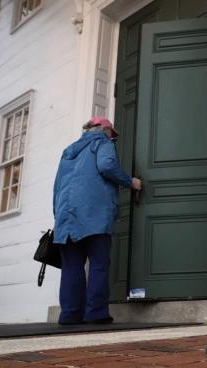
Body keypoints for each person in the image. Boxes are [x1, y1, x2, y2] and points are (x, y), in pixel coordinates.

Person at [52, 116, 141, 325]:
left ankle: (70, 315)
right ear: (102, 128)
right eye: (112, 132)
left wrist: (59, 217)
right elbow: (107, 165)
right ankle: (96, 313)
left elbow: (57, 187)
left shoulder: (69, 151)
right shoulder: (102, 142)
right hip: (94, 214)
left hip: (66, 217)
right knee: (99, 264)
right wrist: (131, 182)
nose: (113, 137)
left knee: (72, 266)